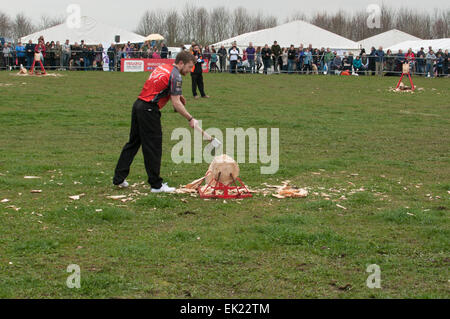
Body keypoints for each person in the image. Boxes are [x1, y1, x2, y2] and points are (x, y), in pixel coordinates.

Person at [113, 51, 198, 193]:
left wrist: (178, 95)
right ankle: (156, 185)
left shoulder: (164, 67)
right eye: (189, 67)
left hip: (138, 105)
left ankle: (119, 178)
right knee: (153, 147)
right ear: (181, 63)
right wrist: (190, 118)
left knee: (132, 144)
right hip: (149, 110)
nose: (190, 71)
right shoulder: (176, 75)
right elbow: (176, 104)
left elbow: (159, 86)